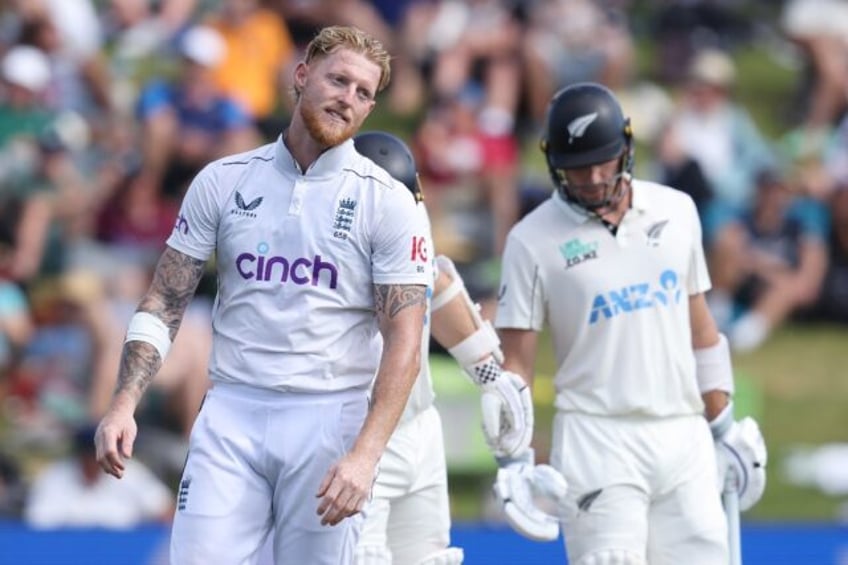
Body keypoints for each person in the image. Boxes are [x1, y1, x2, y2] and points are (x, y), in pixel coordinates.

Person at [94, 25, 431, 565]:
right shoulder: (222, 180)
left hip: (331, 421)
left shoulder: (389, 202)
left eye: (363, 92)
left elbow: (405, 344)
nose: (348, 98)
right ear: (301, 76)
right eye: (338, 79)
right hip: (231, 412)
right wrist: (123, 403)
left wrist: (365, 456)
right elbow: (164, 300)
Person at [493, 82, 768, 564]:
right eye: (578, 168)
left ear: (627, 147)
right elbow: (515, 365)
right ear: (553, 163)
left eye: (606, 160)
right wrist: (514, 457)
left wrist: (722, 424)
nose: (596, 178)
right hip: (596, 437)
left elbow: (700, 330)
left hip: (683, 434)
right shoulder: (529, 240)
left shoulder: (676, 210)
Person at [350, 130, 536, 564]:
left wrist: (490, 377)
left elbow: (438, 281)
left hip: (419, 432)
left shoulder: (410, 234)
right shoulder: (325, 260)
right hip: (356, 435)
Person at [24, 422, 173, 529]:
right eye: (90, 452)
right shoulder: (54, 477)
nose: (95, 459)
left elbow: (165, 511)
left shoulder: (131, 473)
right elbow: (37, 524)